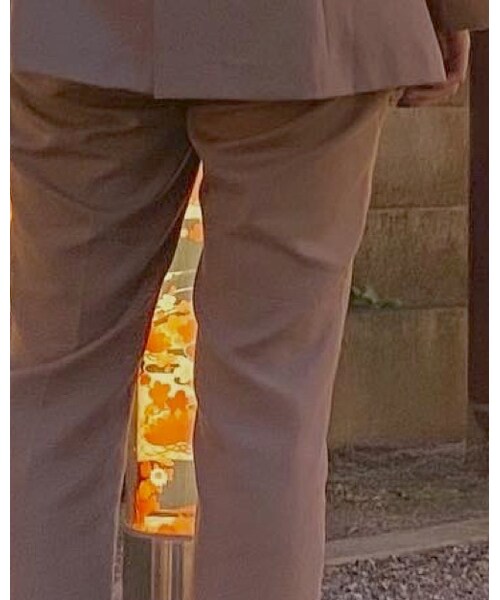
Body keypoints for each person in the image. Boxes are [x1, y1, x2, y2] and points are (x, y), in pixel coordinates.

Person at [10, 2, 488, 600]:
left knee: (55, 398)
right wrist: (453, 11)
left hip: (74, 24)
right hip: (305, 31)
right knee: (270, 406)